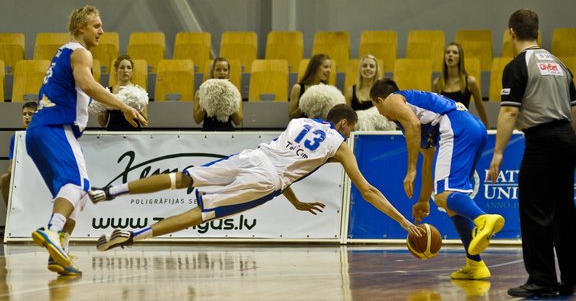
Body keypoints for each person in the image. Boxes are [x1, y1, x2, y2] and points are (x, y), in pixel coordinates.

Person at [89, 104, 424, 250]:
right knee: (202, 213)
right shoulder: (339, 144)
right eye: (349, 130)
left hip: (254, 156)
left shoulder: (299, 121)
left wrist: (296, 201)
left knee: (183, 177)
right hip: (266, 179)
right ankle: (134, 236)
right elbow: (367, 191)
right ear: (344, 125)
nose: (349, 135)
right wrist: (401, 222)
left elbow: (289, 162)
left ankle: (110, 191)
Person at [26, 5, 147, 276]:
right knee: (76, 184)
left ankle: (60, 253)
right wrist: (123, 106)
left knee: (78, 194)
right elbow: (89, 85)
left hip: (39, 131)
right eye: (96, 26)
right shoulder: (80, 53)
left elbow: (81, 91)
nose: (102, 31)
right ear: (81, 28)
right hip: (56, 127)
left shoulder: (64, 53)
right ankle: (53, 230)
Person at [370, 78, 505, 280]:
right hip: (473, 127)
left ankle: (483, 219)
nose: (381, 113)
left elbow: (413, 125)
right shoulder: (421, 113)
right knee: (450, 202)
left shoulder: (392, 100)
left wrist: (410, 170)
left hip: (456, 126)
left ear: (379, 100)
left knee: (443, 194)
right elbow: (429, 158)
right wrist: (424, 199)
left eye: (376, 107)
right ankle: (474, 263)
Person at [488, 9, 576, 298]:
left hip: (541, 141)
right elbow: (574, 111)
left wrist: (498, 153)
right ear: (538, 31)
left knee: (534, 210)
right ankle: (571, 278)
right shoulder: (560, 64)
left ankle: (543, 280)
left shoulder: (517, 65)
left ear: (511, 32)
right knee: (564, 211)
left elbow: (510, 110)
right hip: (566, 138)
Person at [432, 43, 489, 128]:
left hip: (464, 127)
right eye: (448, 52)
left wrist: (487, 130)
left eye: (454, 52)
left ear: (460, 58)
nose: (450, 55)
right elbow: (434, 111)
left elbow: (480, 108)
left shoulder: (470, 81)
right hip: (445, 130)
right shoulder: (437, 83)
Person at [97, 54, 148, 131]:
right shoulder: (108, 92)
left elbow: (145, 121)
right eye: (122, 67)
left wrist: (136, 106)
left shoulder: (139, 91)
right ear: (116, 70)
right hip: (113, 134)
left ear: (132, 72)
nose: (125, 70)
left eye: (129, 68)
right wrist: (101, 107)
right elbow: (103, 123)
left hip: (133, 134)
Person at [0, 101, 37, 205]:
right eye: (24, 114)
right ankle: (11, 212)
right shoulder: (16, 137)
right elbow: (11, 165)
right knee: (4, 178)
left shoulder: (43, 136)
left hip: (39, 174)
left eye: (30, 114)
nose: (26, 117)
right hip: (20, 174)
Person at [193, 57, 243, 131]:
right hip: (207, 133)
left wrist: (230, 101)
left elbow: (238, 122)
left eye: (225, 70)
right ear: (212, 72)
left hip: (227, 133)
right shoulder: (200, 92)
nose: (222, 72)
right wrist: (206, 102)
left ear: (228, 72)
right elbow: (197, 120)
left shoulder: (235, 92)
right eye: (218, 70)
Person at [289, 54, 332, 119]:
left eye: (330, 67)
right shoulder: (298, 88)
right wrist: (305, 105)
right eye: (326, 67)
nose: (329, 70)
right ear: (315, 67)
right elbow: (291, 116)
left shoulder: (328, 89)